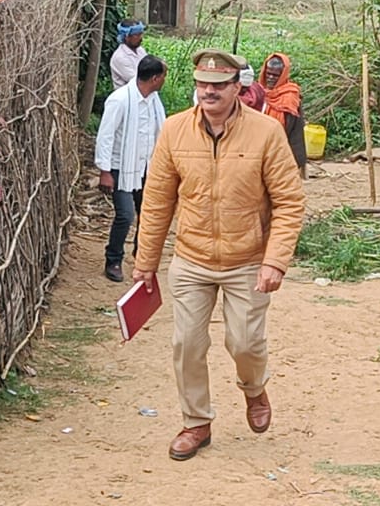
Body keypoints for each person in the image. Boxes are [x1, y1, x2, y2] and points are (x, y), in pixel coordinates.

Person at [133, 48, 305, 462]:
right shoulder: (174, 131)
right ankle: (196, 422)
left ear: (236, 87)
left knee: (244, 343)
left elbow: (289, 201)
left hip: (247, 260)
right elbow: (157, 201)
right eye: (202, 84)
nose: (208, 92)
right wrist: (145, 262)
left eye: (218, 85)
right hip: (191, 258)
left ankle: (254, 389)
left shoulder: (266, 133)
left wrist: (274, 261)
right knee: (186, 344)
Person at [95, 55, 167, 282]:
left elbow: (159, 132)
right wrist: (105, 171)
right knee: (125, 215)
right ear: (155, 79)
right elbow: (105, 136)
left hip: (146, 165)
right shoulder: (120, 100)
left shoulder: (154, 100)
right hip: (121, 167)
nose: (164, 80)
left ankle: (142, 255)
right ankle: (113, 260)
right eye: (163, 76)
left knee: (148, 213)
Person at [260, 52, 307, 172]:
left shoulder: (289, 97)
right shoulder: (257, 92)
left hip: (283, 152)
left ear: (283, 75)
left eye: (275, 75)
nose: (271, 78)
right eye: (268, 74)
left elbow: (291, 130)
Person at [110, 20, 148, 88]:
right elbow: (138, 81)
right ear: (126, 37)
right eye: (136, 35)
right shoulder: (120, 57)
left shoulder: (140, 50)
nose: (140, 38)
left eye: (141, 34)